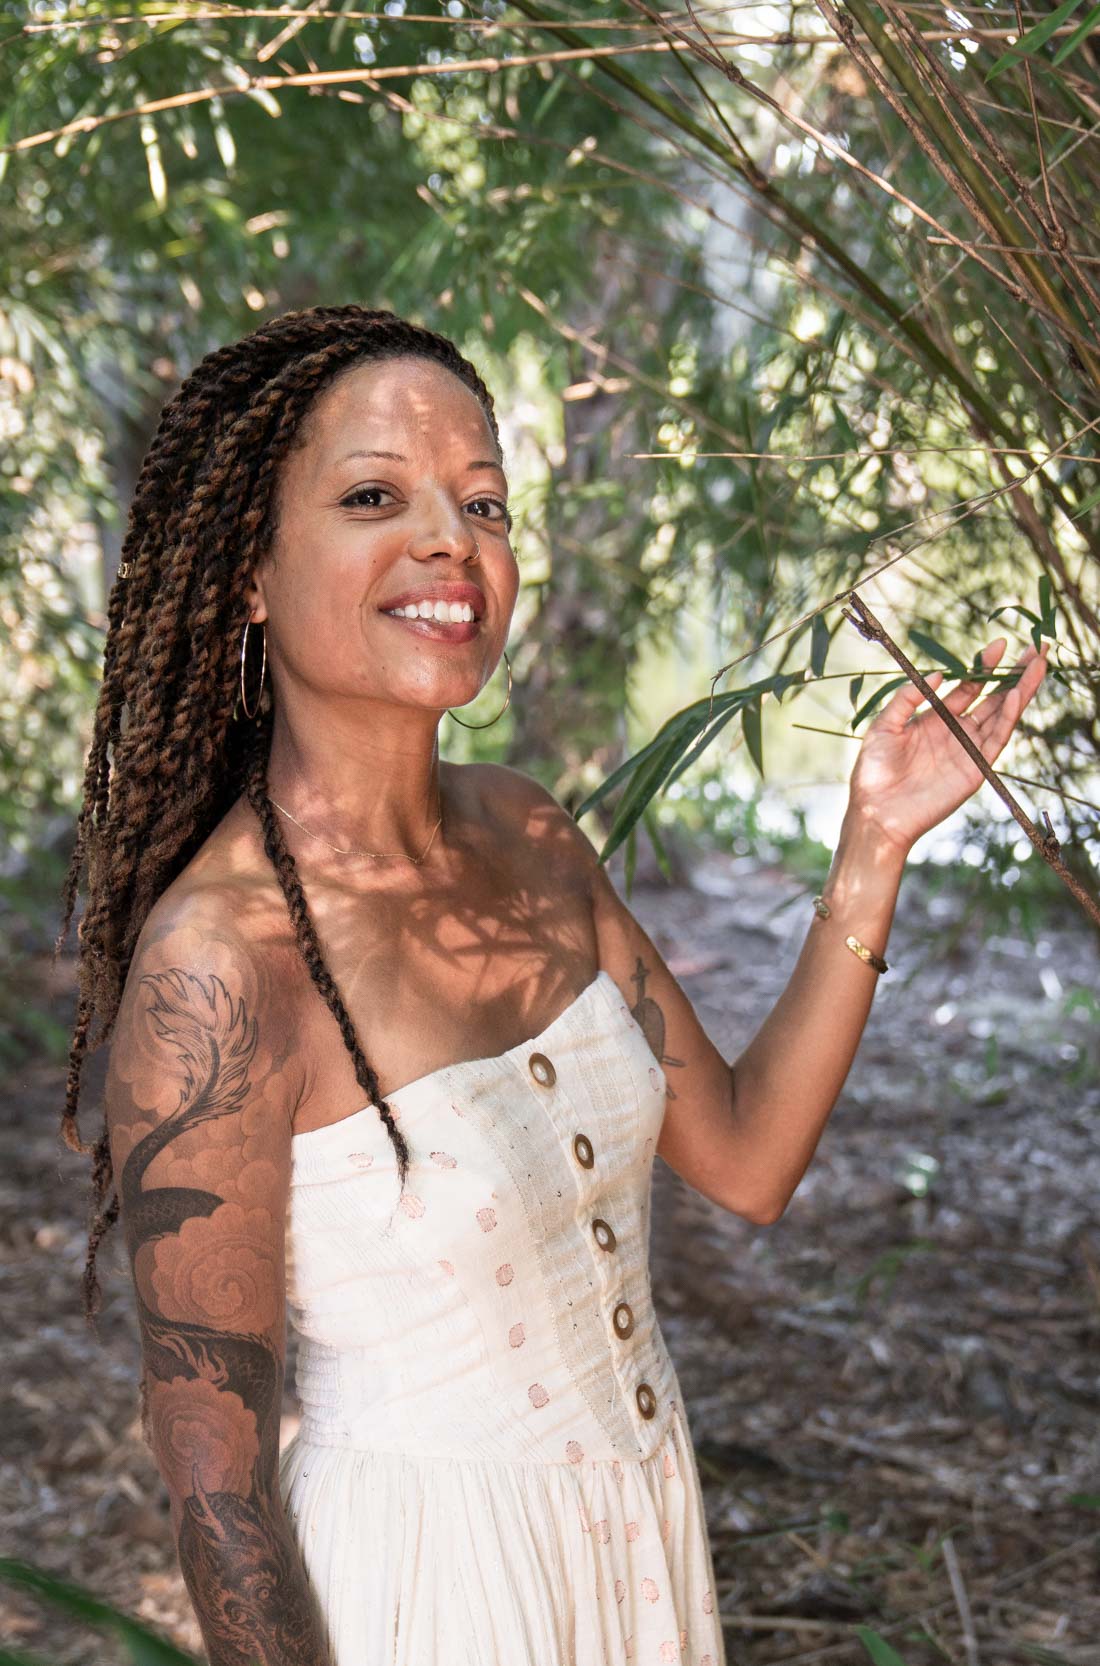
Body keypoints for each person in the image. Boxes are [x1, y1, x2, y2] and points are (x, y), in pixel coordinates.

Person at [55, 303, 1048, 1666]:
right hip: (426, 1597)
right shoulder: (219, 968)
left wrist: (873, 838)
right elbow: (217, 1502)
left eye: (483, 501)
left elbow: (749, 1157)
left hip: (636, 1548)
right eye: (372, 497)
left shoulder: (528, 834)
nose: (450, 543)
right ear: (249, 570)